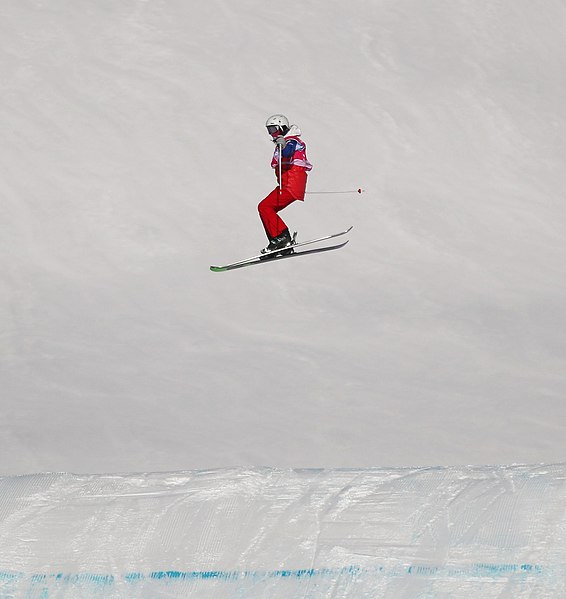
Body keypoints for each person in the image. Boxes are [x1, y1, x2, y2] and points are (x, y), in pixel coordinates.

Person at [258, 114, 313, 257]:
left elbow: (289, 151)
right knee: (266, 208)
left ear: (282, 127)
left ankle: (281, 238)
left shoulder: (293, 141)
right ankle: (281, 244)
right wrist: (280, 144)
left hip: (291, 185)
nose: (272, 134)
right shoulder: (283, 143)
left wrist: (283, 144)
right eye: (269, 131)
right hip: (287, 185)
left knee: (265, 207)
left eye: (274, 129)